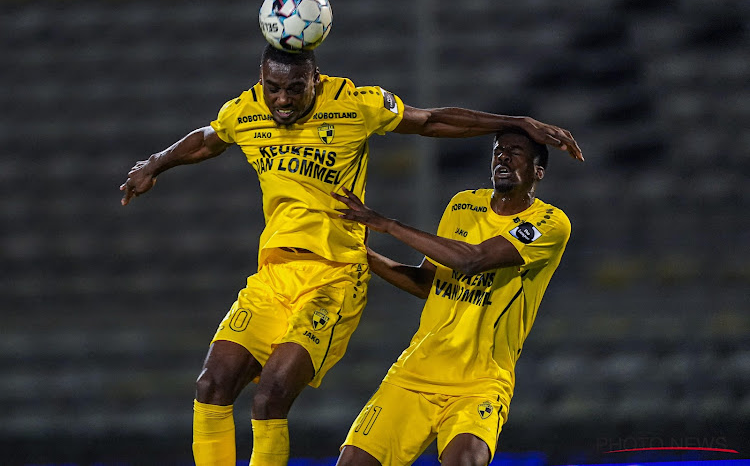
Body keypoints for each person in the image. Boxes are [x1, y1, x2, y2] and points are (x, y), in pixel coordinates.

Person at [119, 43, 582, 466]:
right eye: (272, 88)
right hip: (278, 277)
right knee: (210, 385)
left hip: (336, 281)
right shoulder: (246, 112)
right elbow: (209, 137)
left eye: (293, 89)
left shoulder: (355, 105)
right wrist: (154, 164)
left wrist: (511, 122)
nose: (281, 99)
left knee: (271, 395)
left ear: (314, 81)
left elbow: (429, 122)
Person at [332, 127, 572, 466]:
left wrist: (387, 225)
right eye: (498, 150)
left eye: (515, 152)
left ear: (538, 171)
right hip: (415, 373)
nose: (502, 156)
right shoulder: (463, 204)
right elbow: (428, 284)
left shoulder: (550, 223)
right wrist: (363, 255)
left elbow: (472, 260)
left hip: (479, 383)